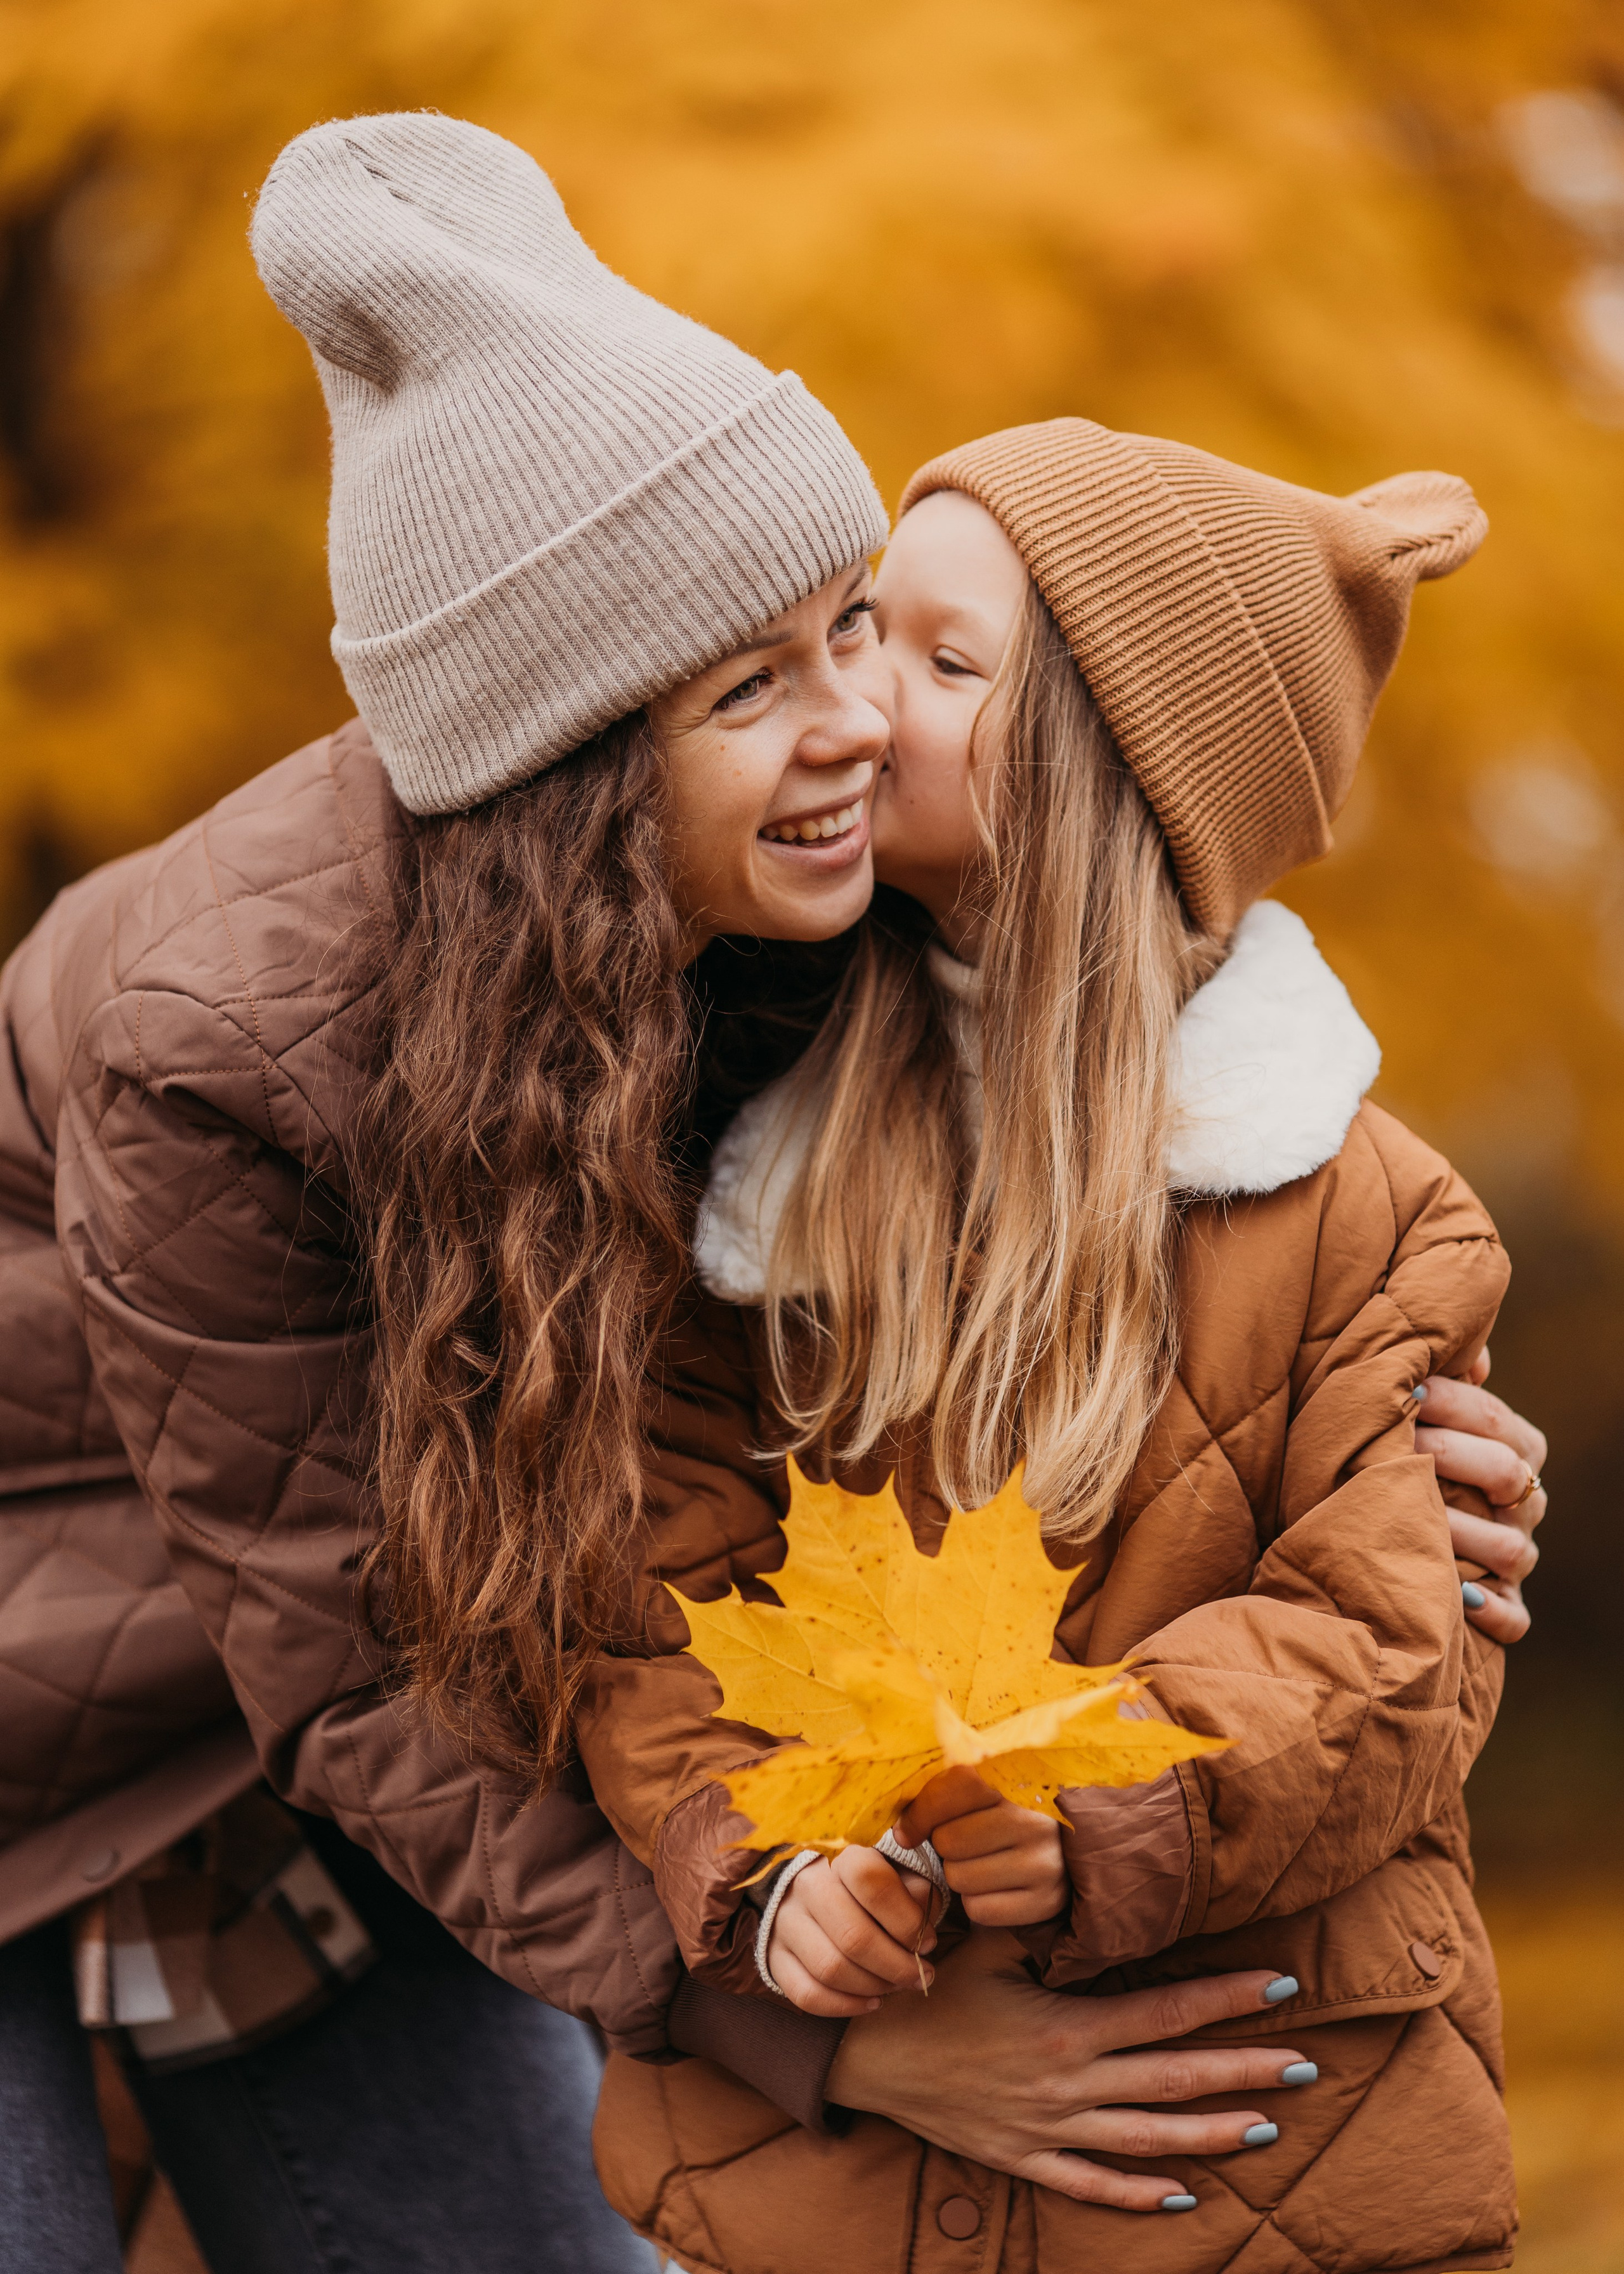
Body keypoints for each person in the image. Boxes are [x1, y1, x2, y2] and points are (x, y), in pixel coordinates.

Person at [0, 114, 1542, 2271]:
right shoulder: (216, 1049)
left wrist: (1382, 1453)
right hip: (120, 1683)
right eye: (757, 685)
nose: (860, 726)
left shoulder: (799, 924)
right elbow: (352, 1664)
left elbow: (1108, 1073)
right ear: (574, 768)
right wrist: (823, 2032)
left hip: (459, 1731)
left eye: (859, 628)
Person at [575, 423, 1540, 2270]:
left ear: (1113, 781)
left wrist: (1094, 1794)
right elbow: (654, 1596)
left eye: (945, 663)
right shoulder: (754, 1179)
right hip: (840, 2204)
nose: (859, 699)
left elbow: (1389, 1645)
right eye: (867, 628)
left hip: (1258, 2165)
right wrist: (773, 1877)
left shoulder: (1365, 1212)